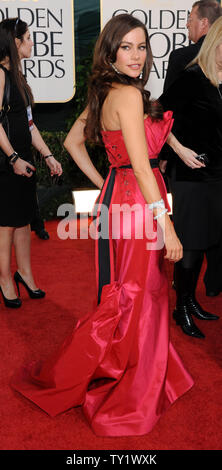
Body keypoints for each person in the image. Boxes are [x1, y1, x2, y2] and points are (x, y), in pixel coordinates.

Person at [11, 14, 194, 437]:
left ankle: (132, 364)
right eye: (126, 47)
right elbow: (145, 171)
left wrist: (107, 182)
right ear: (110, 52)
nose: (136, 55)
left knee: (124, 292)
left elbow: (75, 143)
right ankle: (132, 380)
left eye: (142, 46)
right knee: (138, 294)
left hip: (118, 200)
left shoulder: (105, 91)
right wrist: (166, 225)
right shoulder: (127, 96)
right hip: (138, 205)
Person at [159, 15, 222, 339]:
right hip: (192, 175)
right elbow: (157, 114)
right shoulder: (193, 77)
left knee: (208, 241)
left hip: (217, 177)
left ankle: (191, 300)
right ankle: (181, 306)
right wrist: (178, 149)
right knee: (192, 245)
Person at [0, 18, 62, 308]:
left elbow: (28, 123)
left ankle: (24, 273)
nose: (32, 42)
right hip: (6, 161)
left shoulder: (18, 77)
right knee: (6, 225)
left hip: (23, 160)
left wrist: (48, 155)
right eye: (28, 38)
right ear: (15, 43)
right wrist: (12, 157)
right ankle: (4, 279)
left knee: (23, 220)